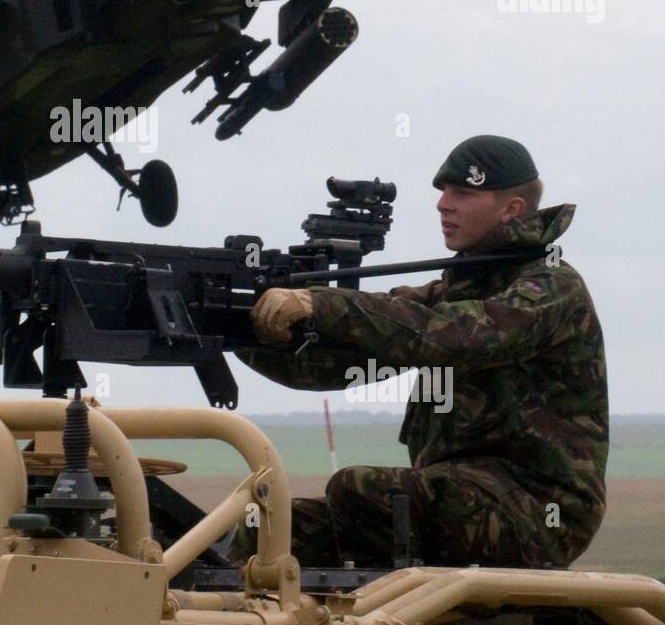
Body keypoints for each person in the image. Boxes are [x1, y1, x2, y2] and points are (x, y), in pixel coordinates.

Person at [238, 135, 608, 570]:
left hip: (537, 514)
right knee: (268, 525)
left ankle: (384, 619)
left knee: (358, 489)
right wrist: (242, 329)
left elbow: (458, 338)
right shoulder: (452, 292)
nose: (442, 204)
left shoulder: (552, 286)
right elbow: (336, 364)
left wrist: (322, 303)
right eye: (443, 192)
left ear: (511, 209)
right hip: (459, 496)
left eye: (462, 193)